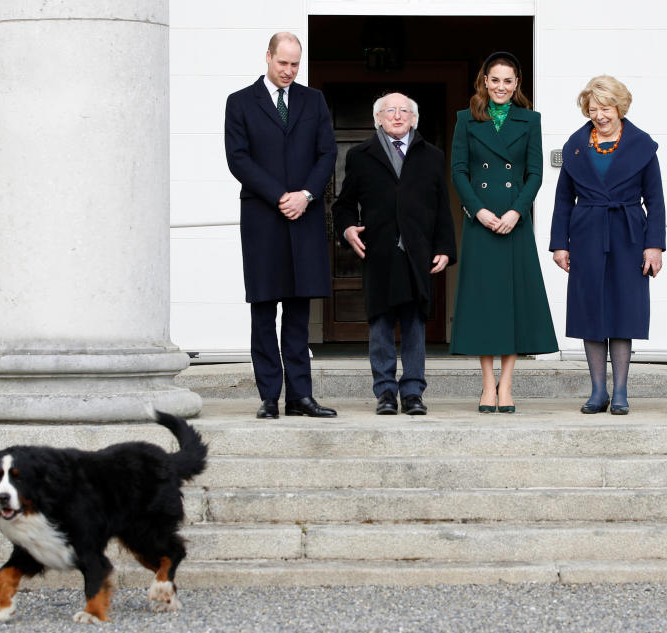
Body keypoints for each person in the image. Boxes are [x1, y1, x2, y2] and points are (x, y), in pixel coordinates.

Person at [224, 32, 338, 419]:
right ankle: (270, 396)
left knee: (298, 310)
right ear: (268, 57)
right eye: (282, 63)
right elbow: (238, 159)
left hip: (303, 217)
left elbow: (327, 153)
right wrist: (280, 196)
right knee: (263, 309)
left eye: (295, 64)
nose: (288, 71)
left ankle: (300, 397)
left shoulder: (314, 100)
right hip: (263, 219)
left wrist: (304, 194)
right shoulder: (240, 102)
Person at [333, 93, 457, 415]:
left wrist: (444, 247)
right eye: (390, 111)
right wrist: (347, 230)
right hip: (380, 253)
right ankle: (385, 393)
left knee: (415, 324)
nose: (398, 116)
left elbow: (442, 206)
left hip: (417, 253)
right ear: (378, 118)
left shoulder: (431, 156)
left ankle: (413, 392)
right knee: (381, 324)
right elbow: (343, 204)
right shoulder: (361, 155)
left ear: (414, 119)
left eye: (405, 111)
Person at [549, 75, 666, 415]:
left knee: (623, 310)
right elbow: (562, 201)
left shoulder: (642, 145)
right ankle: (597, 391)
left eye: (605, 108)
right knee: (591, 311)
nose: (599, 115)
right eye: (592, 109)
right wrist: (560, 244)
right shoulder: (575, 146)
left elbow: (655, 201)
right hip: (586, 235)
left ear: (620, 107)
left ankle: (621, 392)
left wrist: (653, 246)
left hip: (629, 235)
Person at [449, 52, 558, 413]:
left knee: (511, 306)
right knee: (485, 305)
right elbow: (459, 171)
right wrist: (478, 210)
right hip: (480, 222)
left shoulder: (531, 120)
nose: (500, 87)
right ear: (484, 81)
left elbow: (535, 173)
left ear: (517, 84)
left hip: (514, 223)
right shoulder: (466, 119)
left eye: (507, 81)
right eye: (494, 80)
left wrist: (516, 210)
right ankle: (486, 387)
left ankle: (507, 386)